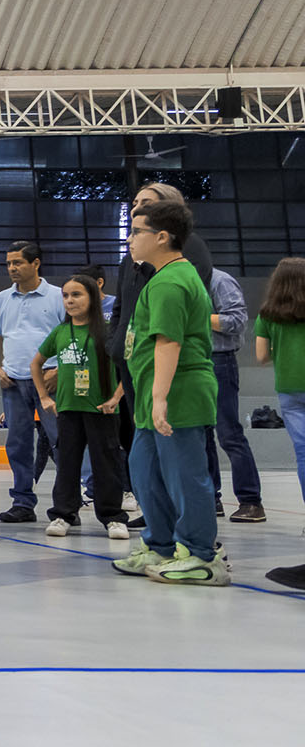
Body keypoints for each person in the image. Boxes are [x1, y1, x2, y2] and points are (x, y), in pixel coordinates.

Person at [108, 201, 225, 585]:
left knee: (185, 476)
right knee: (145, 471)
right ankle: (160, 545)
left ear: (162, 237)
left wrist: (160, 399)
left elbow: (168, 342)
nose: (130, 239)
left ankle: (201, 556)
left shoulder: (172, 282)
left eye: (136, 231)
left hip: (178, 393)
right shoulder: (159, 278)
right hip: (151, 393)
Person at [108, 183, 214, 489]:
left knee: (182, 463)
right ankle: (158, 514)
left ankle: (200, 515)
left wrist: (159, 396)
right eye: (135, 202)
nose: (137, 207)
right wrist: (115, 343)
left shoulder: (175, 272)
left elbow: (170, 336)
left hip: (170, 368)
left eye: (147, 203)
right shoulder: (133, 259)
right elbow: (121, 306)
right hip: (136, 361)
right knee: (145, 460)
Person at [32, 275, 128, 539]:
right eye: (65, 296)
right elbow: (36, 363)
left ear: (92, 297)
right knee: (67, 464)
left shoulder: (108, 331)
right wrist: (44, 397)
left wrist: (116, 397)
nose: (70, 301)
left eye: (76, 295)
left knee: (106, 464)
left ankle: (112, 517)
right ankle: (63, 514)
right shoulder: (60, 331)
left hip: (102, 410)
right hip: (68, 410)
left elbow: (128, 366)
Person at [0, 241, 64, 523]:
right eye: (8, 263)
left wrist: (61, 370)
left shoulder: (58, 296)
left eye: (17, 262)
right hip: (13, 382)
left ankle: (65, 505)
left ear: (36, 263)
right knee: (17, 444)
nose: (12, 268)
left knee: (60, 441)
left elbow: (73, 336)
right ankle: (22, 502)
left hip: (50, 379)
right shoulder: (1, 299)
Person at [204, 267, 264, 522]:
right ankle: (210, 498)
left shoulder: (220, 280)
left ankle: (251, 501)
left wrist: (199, 315)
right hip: (194, 361)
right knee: (201, 433)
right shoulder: (183, 279)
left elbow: (237, 321)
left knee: (229, 433)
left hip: (220, 360)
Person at [253, 258, 305, 533]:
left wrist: (284, 351)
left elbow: (261, 356)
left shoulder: (267, 315)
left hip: (289, 390)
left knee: (303, 455)